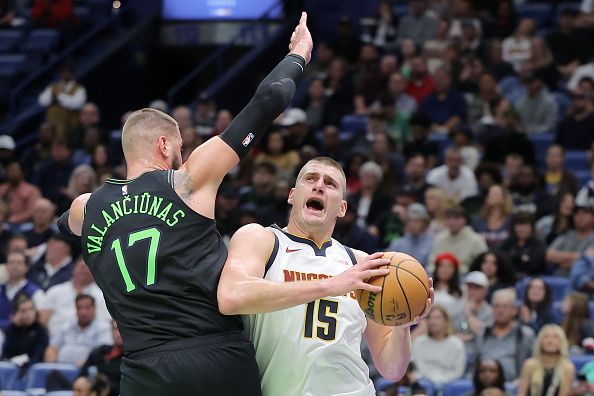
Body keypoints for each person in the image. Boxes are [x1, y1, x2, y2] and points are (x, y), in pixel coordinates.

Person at [58, 13, 314, 396]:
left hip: (143, 368)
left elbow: (65, 224)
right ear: (164, 145)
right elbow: (269, 99)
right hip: (214, 355)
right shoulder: (187, 181)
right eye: (179, 147)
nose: (182, 154)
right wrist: (299, 55)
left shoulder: (87, 207)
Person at [217, 157, 433, 396]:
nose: (319, 185)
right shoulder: (262, 239)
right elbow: (230, 297)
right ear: (292, 195)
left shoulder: (361, 263)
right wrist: (332, 285)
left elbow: (392, 369)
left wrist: (401, 324)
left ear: (341, 208)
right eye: (310, 178)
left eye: (330, 184)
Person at [412, 304, 466, 386]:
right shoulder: (419, 342)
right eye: (430, 318)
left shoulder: (457, 344)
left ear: (446, 321)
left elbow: (458, 372)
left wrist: (439, 380)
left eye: (437, 318)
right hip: (424, 382)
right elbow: (415, 367)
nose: (433, 322)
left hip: (448, 383)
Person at [517, 324, 575, 396]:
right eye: (546, 337)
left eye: (555, 337)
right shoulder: (529, 365)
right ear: (540, 342)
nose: (550, 341)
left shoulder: (568, 368)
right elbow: (522, 393)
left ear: (561, 342)